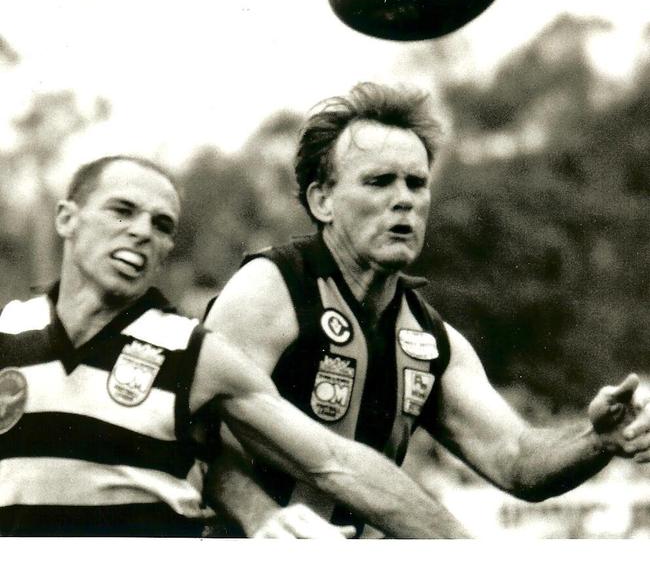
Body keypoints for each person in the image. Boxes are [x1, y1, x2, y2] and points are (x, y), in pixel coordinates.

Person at [203, 81, 650, 538]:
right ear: (322, 200)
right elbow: (192, 435)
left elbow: (516, 460)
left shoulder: (427, 337)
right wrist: (263, 518)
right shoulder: (272, 289)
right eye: (379, 181)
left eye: (416, 183)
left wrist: (597, 441)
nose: (405, 199)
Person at [0, 154, 470, 538]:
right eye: (122, 211)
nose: (142, 231)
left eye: (162, 225)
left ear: (168, 250)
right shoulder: (7, 333)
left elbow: (334, 461)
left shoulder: (192, 352)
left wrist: (466, 549)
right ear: (67, 218)